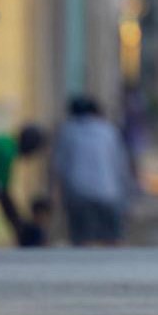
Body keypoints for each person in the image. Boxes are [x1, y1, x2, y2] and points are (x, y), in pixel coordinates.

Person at [52, 96, 134, 248]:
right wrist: (126, 198)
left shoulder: (67, 131)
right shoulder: (109, 131)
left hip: (78, 193)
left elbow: (59, 168)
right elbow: (120, 166)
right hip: (108, 192)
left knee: (82, 240)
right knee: (113, 240)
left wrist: (58, 198)